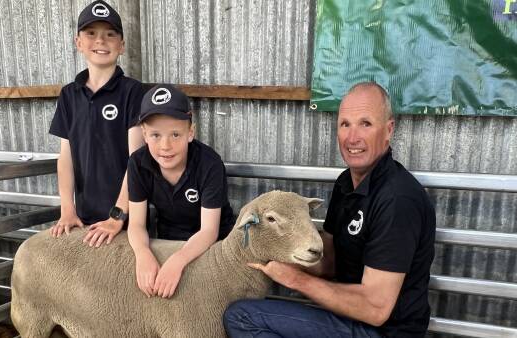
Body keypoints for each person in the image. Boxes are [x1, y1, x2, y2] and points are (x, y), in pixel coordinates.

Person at [223, 82, 436, 338]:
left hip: (383, 332)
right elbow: (329, 262)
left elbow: (375, 308)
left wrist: (294, 279)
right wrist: (272, 248)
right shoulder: (346, 183)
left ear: (388, 129)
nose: (352, 137)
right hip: (347, 320)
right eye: (345, 124)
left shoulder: (397, 199)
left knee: (242, 318)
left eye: (365, 123)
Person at [48, 0, 145, 245]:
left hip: (127, 219)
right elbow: (66, 157)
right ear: (78, 42)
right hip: (83, 219)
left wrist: (118, 215)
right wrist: (67, 209)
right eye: (91, 33)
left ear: (121, 45)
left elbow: (137, 160)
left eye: (110, 34)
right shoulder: (69, 95)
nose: (100, 41)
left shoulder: (133, 92)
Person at [127, 84, 236, 299]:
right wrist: (143, 253)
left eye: (175, 134)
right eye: (156, 135)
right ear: (144, 134)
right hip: (168, 240)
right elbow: (137, 224)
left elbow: (209, 231)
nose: (165, 145)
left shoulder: (209, 164)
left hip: (214, 244)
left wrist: (178, 261)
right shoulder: (138, 163)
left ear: (190, 133)